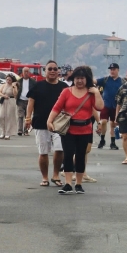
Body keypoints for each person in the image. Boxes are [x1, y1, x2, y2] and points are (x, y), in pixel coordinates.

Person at [47, 66, 104, 195]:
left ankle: (78, 184)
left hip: (85, 129)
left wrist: (97, 92)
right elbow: (57, 107)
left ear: (86, 79)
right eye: (77, 78)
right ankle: (68, 183)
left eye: (82, 78)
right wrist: (49, 121)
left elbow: (100, 107)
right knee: (67, 155)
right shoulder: (66, 92)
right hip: (68, 129)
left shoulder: (90, 93)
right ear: (73, 79)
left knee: (80, 156)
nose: (79, 81)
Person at [25, 61, 68, 186]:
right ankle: (44, 177)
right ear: (45, 71)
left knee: (59, 149)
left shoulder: (64, 86)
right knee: (43, 152)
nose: (53, 71)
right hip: (40, 123)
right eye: (50, 69)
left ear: (58, 71)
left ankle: (56, 175)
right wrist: (28, 118)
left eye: (55, 69)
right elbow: (30, 103)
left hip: (59, 124)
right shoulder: (38, 86)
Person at [95, 63, 123, 150]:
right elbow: (95, 81)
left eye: (114, 69)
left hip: (116, 105)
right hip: (105, 104)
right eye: (111, 69)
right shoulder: (106, 80)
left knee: (113, 124)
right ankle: (102, 139)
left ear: (118, 70)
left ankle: (113, 142)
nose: (112, 71)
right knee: (103, 122)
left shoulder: (122, 81)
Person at [16, 67, 36, 136]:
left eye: (27, 71)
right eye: (25, 71)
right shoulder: (19, 81)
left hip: (29, 101)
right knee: (20, 116)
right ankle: (20, 130)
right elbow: (15, 91)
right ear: (22, 72)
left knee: (27, 116)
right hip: (20, 101)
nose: (26, 73)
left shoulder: (33, 82)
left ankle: (26, 130)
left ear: (29, 72)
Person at [0, 75, 18, 139]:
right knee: (1, 116)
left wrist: (14, 87)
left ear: (12, 80)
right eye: (7, 79)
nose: (8, 81)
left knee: (9, 117)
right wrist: (3, 96)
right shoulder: (4, 85)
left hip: (11, 101)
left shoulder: (14, 86)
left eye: (10, 80)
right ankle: (3, 132)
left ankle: (8, 133)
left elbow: (15, 95)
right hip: (4, 101)